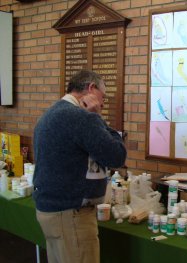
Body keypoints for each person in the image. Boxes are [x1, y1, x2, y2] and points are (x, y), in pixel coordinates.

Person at [33, 70, 127, 263]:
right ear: (91, 89)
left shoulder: (53, 112)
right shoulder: (80, 117)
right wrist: (97, 116)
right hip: (71, 217)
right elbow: (117, 155)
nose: (102, 103)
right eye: (103, 97)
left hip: (54, 212)